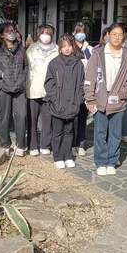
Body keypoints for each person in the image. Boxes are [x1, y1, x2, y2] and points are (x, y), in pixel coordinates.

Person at [85, 23, 127, 176]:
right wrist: (90, 99)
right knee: (100, 133)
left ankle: (112, 161)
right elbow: (90, 78)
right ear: (108, 35)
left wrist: (122, 94)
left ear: (124, 36)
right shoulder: (98, 54)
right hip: (100, 99)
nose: (117, 37)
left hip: (118, 101)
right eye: (114, 34)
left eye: (120, 34)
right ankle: (101, 162)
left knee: (115, 133)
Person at [0, 22, 27, 155]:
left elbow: (26, 66)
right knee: (4, 118)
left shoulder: (21, 49)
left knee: (21, 116)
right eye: (8, 31)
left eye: (13, 30)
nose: (11, 33)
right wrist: (0, 74)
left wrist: (23, 78)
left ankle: (20, 146)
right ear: (2, 35)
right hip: (2, 88)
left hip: (19, 88)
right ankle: (5, 144)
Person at [45, 34, 85, 169]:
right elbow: (49, 84)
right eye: (64, 46)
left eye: (69, 46)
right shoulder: (54, 63)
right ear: (60, 48)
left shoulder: (78, 64)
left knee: (69, 132)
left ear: (73, 47)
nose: (67, 49)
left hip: (72, 105)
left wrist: (78, 100)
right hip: (58, 105)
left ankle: (68, 156)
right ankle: (57, 157)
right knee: (57, 132)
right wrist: (55, 101)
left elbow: (81, 84)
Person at [26, 24, 58, 156]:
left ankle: (45, 144)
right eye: (43, 32)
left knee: (47, 120)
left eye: (48, 33)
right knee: (32, 120)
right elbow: (27, 67)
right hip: (33, 89)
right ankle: (33, 145)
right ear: (38, 34)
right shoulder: (31, 49)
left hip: (50, 90)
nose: (46, 35)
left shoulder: (57, 49)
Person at [73, 22, 93, 156]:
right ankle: (70, 143)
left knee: (82, 117)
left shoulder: (90, 50)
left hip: (84, 88)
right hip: (71, 88)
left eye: (83, 31)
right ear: (74, 33)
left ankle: (81, 143)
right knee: (70, 117)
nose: (80, 34)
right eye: (78, 31)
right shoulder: (69, 47)